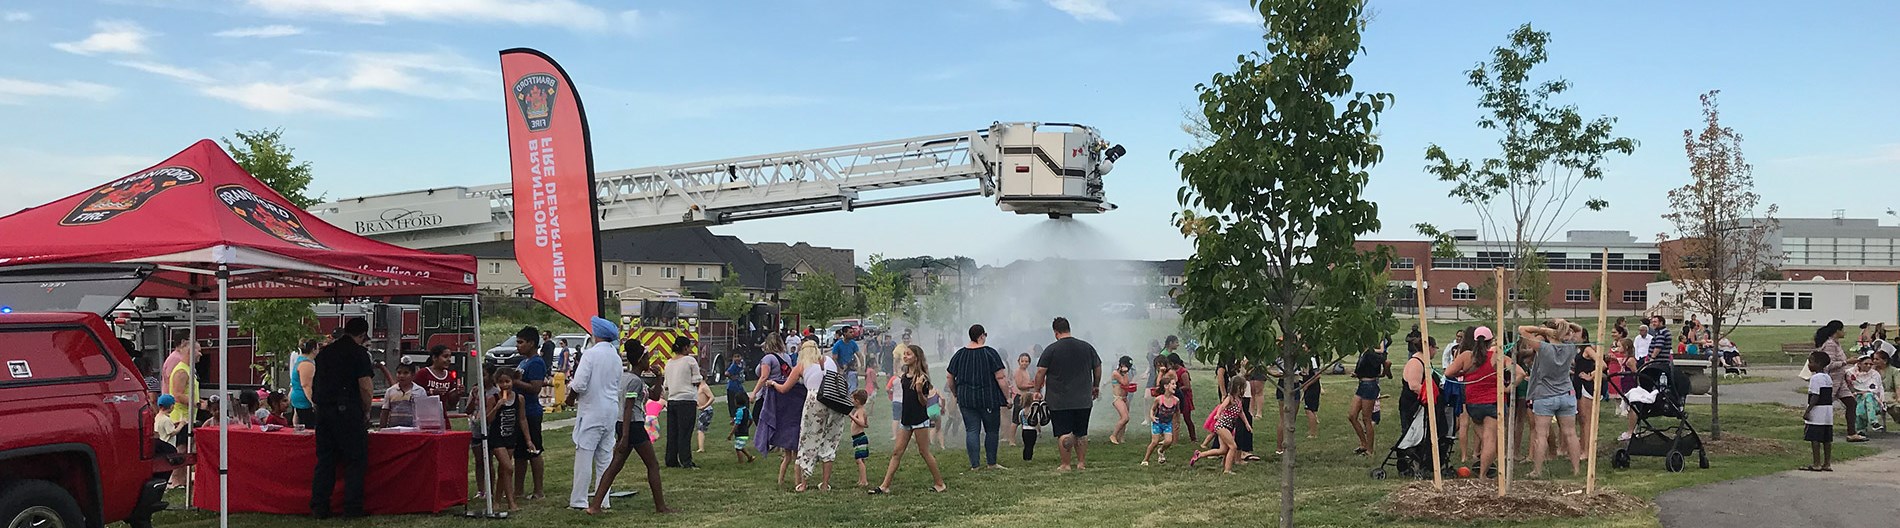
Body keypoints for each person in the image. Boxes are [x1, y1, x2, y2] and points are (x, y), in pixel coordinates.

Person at [586, 340, 672, 515]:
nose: (649, 361)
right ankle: (660, 507)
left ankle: (594, 506)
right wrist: (625, 437)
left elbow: (655, 396)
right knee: (653, 465)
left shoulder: (629, 378)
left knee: (614, 467)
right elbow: (628, 407)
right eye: (647, 358)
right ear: (640, 360)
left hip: (625, 425)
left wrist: (658, 377)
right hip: (633, 426)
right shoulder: (634, 382)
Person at [310, 317, 373, 519]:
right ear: (362, 335)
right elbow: (365, 386)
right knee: (355, 460)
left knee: (325, 460)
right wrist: (366, 410)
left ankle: (320, 506)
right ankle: (352, 508)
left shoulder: (324, 353)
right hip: (347, 412)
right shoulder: (359, 353)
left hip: (323, 412)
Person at [568, 317, 630, 510]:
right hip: (610, 410)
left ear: (595, 335)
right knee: (605, 457)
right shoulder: (616, 356)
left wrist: (570, 397)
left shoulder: (590, 354)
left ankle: (579, 500)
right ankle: (603, 499)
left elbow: (579, 384)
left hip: (591, 410)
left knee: (585, 455)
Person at [869, 344, 947, 494]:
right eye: (904, 354)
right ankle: (884, 486)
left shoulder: (922, 378)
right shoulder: (905, 377)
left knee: (924, 452)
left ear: (916, 358)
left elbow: (924, 402)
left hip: (919, 419)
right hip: (906, 420)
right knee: (897, 452)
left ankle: (940, 484)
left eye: (908, 354)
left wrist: (919, 391)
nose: (905, 356)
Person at [1447, 326, 1521, 480]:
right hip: (1492, 402)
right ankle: (1483, 475)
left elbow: (1448, 373)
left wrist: (1462, 373)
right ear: (1489, 342)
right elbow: (1520, 372)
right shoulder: (1496, 356)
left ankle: (1484, 465)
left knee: (1485, 437)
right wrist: (1508, 388)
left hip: (1473, 404)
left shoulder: (1466, 356)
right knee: (1490, 440)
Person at [1034, 317, 1101, 472]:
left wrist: (1037, 390)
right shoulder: (1086, 347)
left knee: (1064, 432)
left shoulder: (1051, 349)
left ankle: (1065, 464)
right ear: (1069, 328)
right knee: (1081, 432)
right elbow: (1097, 367)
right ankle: (1081, 463)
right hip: (1083, 399)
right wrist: (1095, 385)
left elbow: (1040, 372)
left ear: (1055, 332)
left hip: (1059, 400)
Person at [1520, 319, 1584, 479]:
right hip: (1566, 395)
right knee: (1571, 433)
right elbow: (1579, 329)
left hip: (1545, 396)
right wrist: (1564, 324)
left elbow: (1522, 329)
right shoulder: (1570, 347)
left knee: (1541, 434)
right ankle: (1576, 469)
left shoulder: (1544, 348)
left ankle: (1537, 470)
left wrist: (1546, 331)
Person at [782, 340, 846, 492]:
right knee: (830, 441)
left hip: (814, 401)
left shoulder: (801, 366)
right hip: (834, 400)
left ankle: (804, 483)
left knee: (808, 439)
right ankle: (825, 484)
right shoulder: (829, 360)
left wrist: (772, 384)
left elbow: (785, 388)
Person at [945, 324, 1010, 471]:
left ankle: (975, 465)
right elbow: (1000, 377)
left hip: (966, 399)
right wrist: (1008, 397)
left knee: (972, 430)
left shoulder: (960, 354)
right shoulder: (990, 353)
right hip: (988, 398)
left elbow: (949, 376)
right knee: (992, 431)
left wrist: (956, 393)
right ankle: (991, 463)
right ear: (981, 336)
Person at [510, 326, 551, 499]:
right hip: (518, 412)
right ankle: (518, 490)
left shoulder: (536, 362)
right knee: (519, 453)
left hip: (531, 412)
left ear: (531, 343)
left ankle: (538, 490)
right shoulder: (523, 362)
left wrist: (514, 382)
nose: (518, 346)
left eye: (521, 342)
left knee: (534, 450)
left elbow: (535, 387)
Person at [486, 368, 531, 512]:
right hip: (497, 438)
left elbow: (522, 419)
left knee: (503, 471)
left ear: (513, 382)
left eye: (507, 381)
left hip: (511, 437)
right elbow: (487, 420)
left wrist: (528, 440)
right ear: (496, 383)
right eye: (501, 382)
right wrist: (497, 406)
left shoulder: (519, 399)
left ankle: (497, 501)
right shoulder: (493, 398)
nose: (505, 385)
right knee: (509, 467)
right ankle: (511, 502)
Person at [1815, 320, 1867, 442]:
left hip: (1840, 381)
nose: (1844, 332)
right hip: (1831, 380)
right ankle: (1817, 430)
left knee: (1851, 403)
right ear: (1837, 331)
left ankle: (1852, 433)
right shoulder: (1830, 345)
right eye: (1842, 329)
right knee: (1823, 405)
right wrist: (1847, 362)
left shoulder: (1836, 344)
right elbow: (1828, 365)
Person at [1190, 376, 1253, 474]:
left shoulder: (1239, 399)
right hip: (1222, 425)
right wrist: (1218, 414)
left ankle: (1199, 455)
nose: (1244, 390)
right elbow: (1222, 406)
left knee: (1223, 450)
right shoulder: (1230, 398)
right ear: (1237, 387)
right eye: (1243, 387)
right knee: (1233, 446)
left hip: (1229, 426)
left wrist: (1247, 424)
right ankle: (1227, 470)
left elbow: (1241, 413)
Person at [662, 336, 703, 468]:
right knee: (685, 432)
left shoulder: (669, 363)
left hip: (672, 400)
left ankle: (671, 459)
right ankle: (686, 460)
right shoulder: (690, 361)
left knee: (673, 432)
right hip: (687, 400)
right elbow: (697, 380)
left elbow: (666, 385)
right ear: (685, 347)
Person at [1348, 338, 1392, 457]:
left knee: (1366, 418)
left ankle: (1370, 450)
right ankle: (1363, 443)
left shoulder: (1371, 354)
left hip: (1370, 386)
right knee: (1352, 416)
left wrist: (1385, 374)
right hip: (1362, 385)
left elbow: (1387, 362)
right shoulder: (1363, 353)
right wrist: (1357, 374)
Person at [1801, 350, 1835, 471]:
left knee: (1815, 438)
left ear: (1818, 363)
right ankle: (1827, 463)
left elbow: (1815, 395)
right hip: (1828, 411)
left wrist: (1808, 410)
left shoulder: (1815, 378)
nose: (1809, 365)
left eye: (1810, 362)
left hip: (1817, 411)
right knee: (1826, 439)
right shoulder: (1828, 377)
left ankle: (1816, 463)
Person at [1141, 375, 1180, 466]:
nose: (1175, 386)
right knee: (1154, 442)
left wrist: (1177, 422)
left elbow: (1177, 412)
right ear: (1166, 386)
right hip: (1157, 423)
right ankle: (1145, 459)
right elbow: (1152, 409)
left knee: (1168, 441)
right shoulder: (1159, 399)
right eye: (1173, 384)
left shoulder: (1176, 400)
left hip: (1167, 424)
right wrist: (1152, 417)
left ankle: (1161, 451)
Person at [163, 337, 201, 427]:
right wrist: (197, 404)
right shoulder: (181, 371)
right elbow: (178, 395)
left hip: (187, 419)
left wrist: (201, 401)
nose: (201, 354)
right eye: (199, 351)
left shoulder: (188, 369)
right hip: (180, 420)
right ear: (190, 352)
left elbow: (187, 393)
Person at [415, 345, 465, 412]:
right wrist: (433, 392)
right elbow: (415, 395)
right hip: (425, 415)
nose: (449, 360)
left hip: (442, 415)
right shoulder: (423, 373)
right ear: (434, 358)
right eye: (445, 356)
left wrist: (457, 393)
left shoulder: (449, 376)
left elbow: (450, 404)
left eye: (450, 357)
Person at [1012, 352, 1041, 461]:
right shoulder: (1018, 372)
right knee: (1015, 420)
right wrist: (1032, 385)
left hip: (1026, 396)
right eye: (1022, 361)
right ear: (1018, 361)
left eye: (1027, 361)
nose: (1024, 363)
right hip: (1020, 396)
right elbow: (1020, 385)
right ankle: (1011, 440)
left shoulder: (1026, 371)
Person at [381, 363, 427, 428]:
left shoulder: (420, 391)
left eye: (406, 373)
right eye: (399, 373)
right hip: (394, 429)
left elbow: (424, 412)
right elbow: (385, 411)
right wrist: (382, 428)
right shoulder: (390, 391)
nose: (401, 376)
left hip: (413, 429)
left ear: (413, 375)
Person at [155, 394, 187, 488]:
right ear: (172, 406)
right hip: (168, 445)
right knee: (168, 466)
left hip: (160, 443)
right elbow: (172, 432)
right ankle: (169, 482)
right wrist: (181, 424)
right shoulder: (166, 419)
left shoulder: (158, 417)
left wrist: (174, 424)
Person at [1849, 354, 1883, 435]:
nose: (1869, 366)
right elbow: (1850, 386)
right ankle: (1872, 423)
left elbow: (1874, 389)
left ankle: (1865, 427)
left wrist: (1864, 392)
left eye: (1871, 364)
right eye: (1866, 364)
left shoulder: (1874, 374)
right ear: (1859, 363)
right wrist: (1859, 393)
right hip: (1856, 397)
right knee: (1860, 403)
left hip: (1873, 400)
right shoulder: (1850, 373)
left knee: (1868, 396)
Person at [1110, 356, 1135, 445]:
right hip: (1118, 398)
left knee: (1125, 419)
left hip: (1124, 398)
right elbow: (1124, 383)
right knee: (1125, 418)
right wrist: (1125, 373)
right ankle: (1113, 435)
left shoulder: (1124, 374)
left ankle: (1121, 437)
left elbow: (1127, 384)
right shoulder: (1116, 373)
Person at [849, 389, 871, 486]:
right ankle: (861, 479)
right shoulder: (860, 411)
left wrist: (851, 416)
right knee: (861, 460)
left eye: (852, 399)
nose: (851, 401)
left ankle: (864, 481)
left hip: (859, 438)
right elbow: (866, 424)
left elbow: (862, 423)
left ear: (857, 401)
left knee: (859, 460)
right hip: (858, 438)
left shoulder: (860, 411)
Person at [833, 326, 862, 394]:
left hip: (852, 369)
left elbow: (860, 355)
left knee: (853, 389)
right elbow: (834, 359)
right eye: (850, 332)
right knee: (843, 390)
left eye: (853, 332)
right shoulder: (837, 345)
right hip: (842, 371)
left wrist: (862, 367)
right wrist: (839, 369)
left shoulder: (853, 343)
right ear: (845, 333)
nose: (853, 333)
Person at [732, 392, 758, 464]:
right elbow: (751, 420)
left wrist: (731, 434)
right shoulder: (746, 410)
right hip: (745, 432)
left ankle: (741, 462)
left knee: (738, 448)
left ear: (736, 402)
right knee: (741, 446)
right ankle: (750, 457)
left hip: (740, 432)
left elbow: (737, 424)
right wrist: (747, 427)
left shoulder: (739, 411)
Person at [724, 354, 748, 419]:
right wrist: (731, 377)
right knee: (733, 404)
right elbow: (726, 373)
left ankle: (744, 415)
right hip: (732, 387)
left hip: (739, 386)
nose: (737, 358)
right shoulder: (733, 366)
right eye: (735, 357)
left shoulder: (741, 364)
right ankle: (733, 418)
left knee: (746, 400)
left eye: (738, 356)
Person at [694, 380, 715, 453]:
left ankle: (701, 448)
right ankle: (700, 447)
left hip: (706, 410)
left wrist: (704, 406)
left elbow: (712, 397)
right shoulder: (698, 387)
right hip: (703, 410)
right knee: (699, 428)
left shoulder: (704, 387)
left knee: (700, 429)